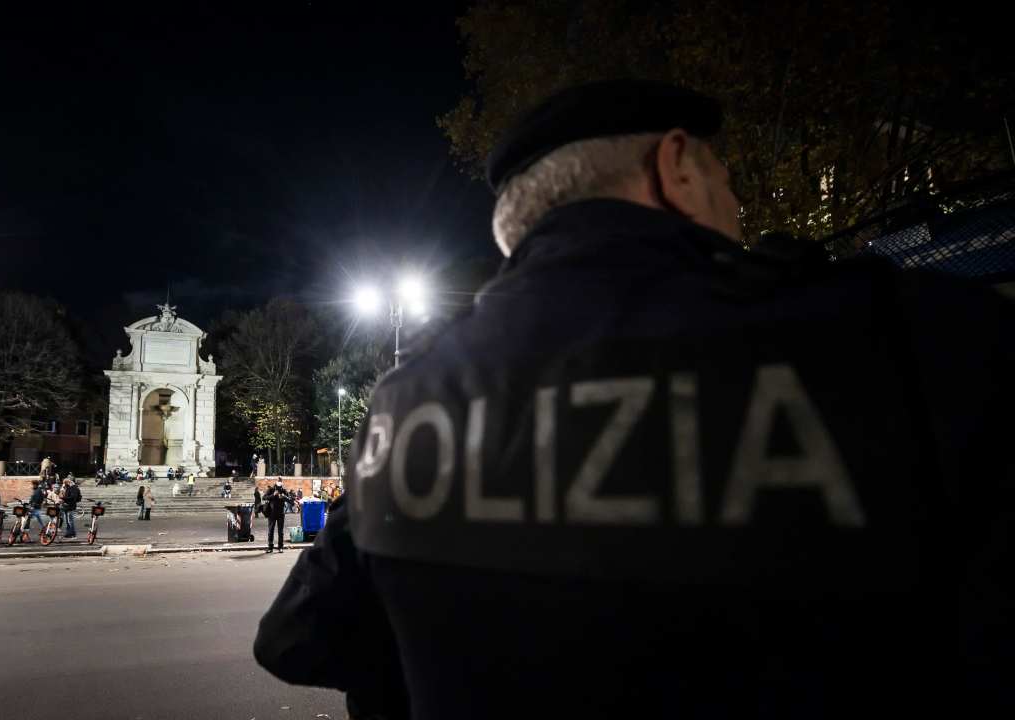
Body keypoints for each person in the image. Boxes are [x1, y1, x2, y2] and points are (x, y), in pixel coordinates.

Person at [253, 80, 1015, 717]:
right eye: (728, 183)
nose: (738, 210)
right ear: (677, 166)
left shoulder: (406, 398)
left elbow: (298, 638)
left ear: (517, 227)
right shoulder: (901, 333)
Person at [261, 480, 288, 553]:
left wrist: (284, 497)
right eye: (277, 487)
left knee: (280, 531)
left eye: (280, 488)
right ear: (275, 486)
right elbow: (264, 497)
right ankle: (270, 547)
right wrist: (273, 495)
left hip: (281, 514)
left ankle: (280, 547)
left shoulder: (283, 491)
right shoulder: (271, 490)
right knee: (271, 530)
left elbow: (290, 500)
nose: (279, 489)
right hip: (271, 514)